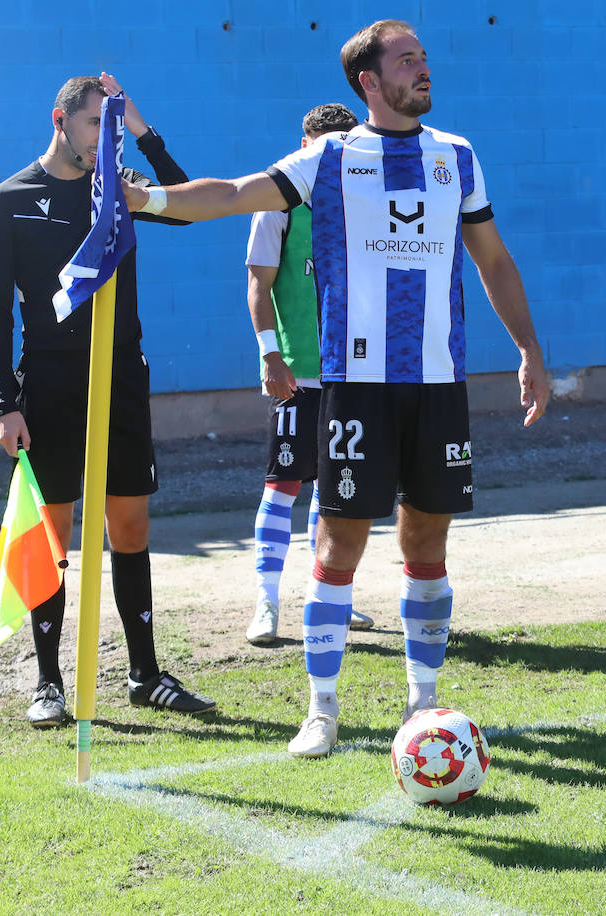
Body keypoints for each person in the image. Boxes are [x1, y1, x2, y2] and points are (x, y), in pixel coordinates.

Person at [149, 20, 549, 757]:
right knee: (338, 545)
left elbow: (492, 259)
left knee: (427, 540)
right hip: (356, 384)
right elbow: (233, 193)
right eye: (408, 61)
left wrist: (529, 347)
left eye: (425, 58)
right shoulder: (328, 159)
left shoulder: (456, 157)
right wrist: (147, 201)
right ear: (369, 81)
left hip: (438, 382)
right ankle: (322, 712)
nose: (423, 70)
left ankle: (422, 707)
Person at [0, 73, 215, 728]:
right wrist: (6, 404)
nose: (103, 140)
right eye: (94, 126)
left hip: (120, 379)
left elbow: (192, 204)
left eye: (110, 128)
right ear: (60, 118)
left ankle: (144, 675)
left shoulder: (120, 192)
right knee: (50, 534)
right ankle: (49, 683)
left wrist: (141, 127)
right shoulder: (9, 200)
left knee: (130, 527)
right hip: (49, 387)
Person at [243, 102, 375, 646]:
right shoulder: (279, 203)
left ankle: (330, 595)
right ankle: (266, 602)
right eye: (324, 146)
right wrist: (271, 355)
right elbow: (258, 285)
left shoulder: (364, 200)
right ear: (305, 145)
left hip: (357, 371)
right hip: (299, 371)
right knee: (283, 484)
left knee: (337, 487)